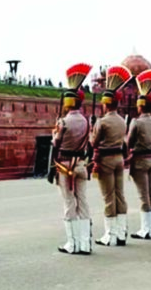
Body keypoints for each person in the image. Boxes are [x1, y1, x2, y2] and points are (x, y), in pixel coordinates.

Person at [51, 63, 93, 254]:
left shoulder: (64, 122)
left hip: (65, 164)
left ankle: (72, 243)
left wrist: (54, 135)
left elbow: (56, 144)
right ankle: (85, 243)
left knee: (69, 202)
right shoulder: (85, 121)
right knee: (82, 201)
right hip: (81, 164)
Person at [90, 65, 132, 246]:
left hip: (106, 159)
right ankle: (122, 232)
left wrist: (94, 127)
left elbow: (93, 142)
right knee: (119, 195)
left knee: (108, 196)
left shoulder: (103, 121)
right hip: (118, 159)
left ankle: (111, 234)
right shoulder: (122, 120)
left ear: (106, 104)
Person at [127, 69, 151, 239]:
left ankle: (146, 229)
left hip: (140, 159)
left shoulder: (137, 122)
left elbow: (129, 142)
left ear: (140, 106)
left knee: (144, 195)